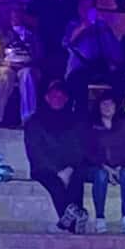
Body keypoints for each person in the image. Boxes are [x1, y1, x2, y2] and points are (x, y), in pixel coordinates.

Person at [24, 79, 89, 233]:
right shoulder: (35, 121)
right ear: (47, 98)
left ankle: (70, 219)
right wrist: (58, 171)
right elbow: (35, 150)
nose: (57, 100)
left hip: (70, 166)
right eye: (54, 96)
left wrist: (70, 168)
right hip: (45, 167)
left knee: (77, 178)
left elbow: (79, 147)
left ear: (66, 99)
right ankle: (74, 220)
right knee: (55, 184)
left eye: (61, 97)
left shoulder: (74, 120)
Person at [63, 0, 124, 113]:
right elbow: (69, 41)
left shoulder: (103, 27)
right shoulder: (73, 24)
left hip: (101, 68)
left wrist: (115, 63)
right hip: (79, 69)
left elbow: (115, 49)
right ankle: (81, 117)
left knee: (121, 81)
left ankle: (107, 111)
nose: (86, 10)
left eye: (90, 7)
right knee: (79, 84)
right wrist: (84, 25)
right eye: (84, 7)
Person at [85, 92, 125, 233]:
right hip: (97, 166)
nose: (107, 107)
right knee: (101, 175)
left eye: (110, 104)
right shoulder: (92, 125)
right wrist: (107, 168)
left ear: (116, 106)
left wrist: (119, 167)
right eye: (104, 104)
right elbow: (89, 151)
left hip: (120, 166)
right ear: (99, 106)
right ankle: (100, 218)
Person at [0, 7, 42, 126]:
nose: (16, 18)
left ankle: (28, 118)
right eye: (13, 16)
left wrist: (28, 63)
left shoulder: (32, 34)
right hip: (7, 64)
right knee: (4, 77)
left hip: (26, 65)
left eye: (18, 15)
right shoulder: (2, 33)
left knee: (27, 75)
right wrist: (6, 63)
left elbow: (38, 55)